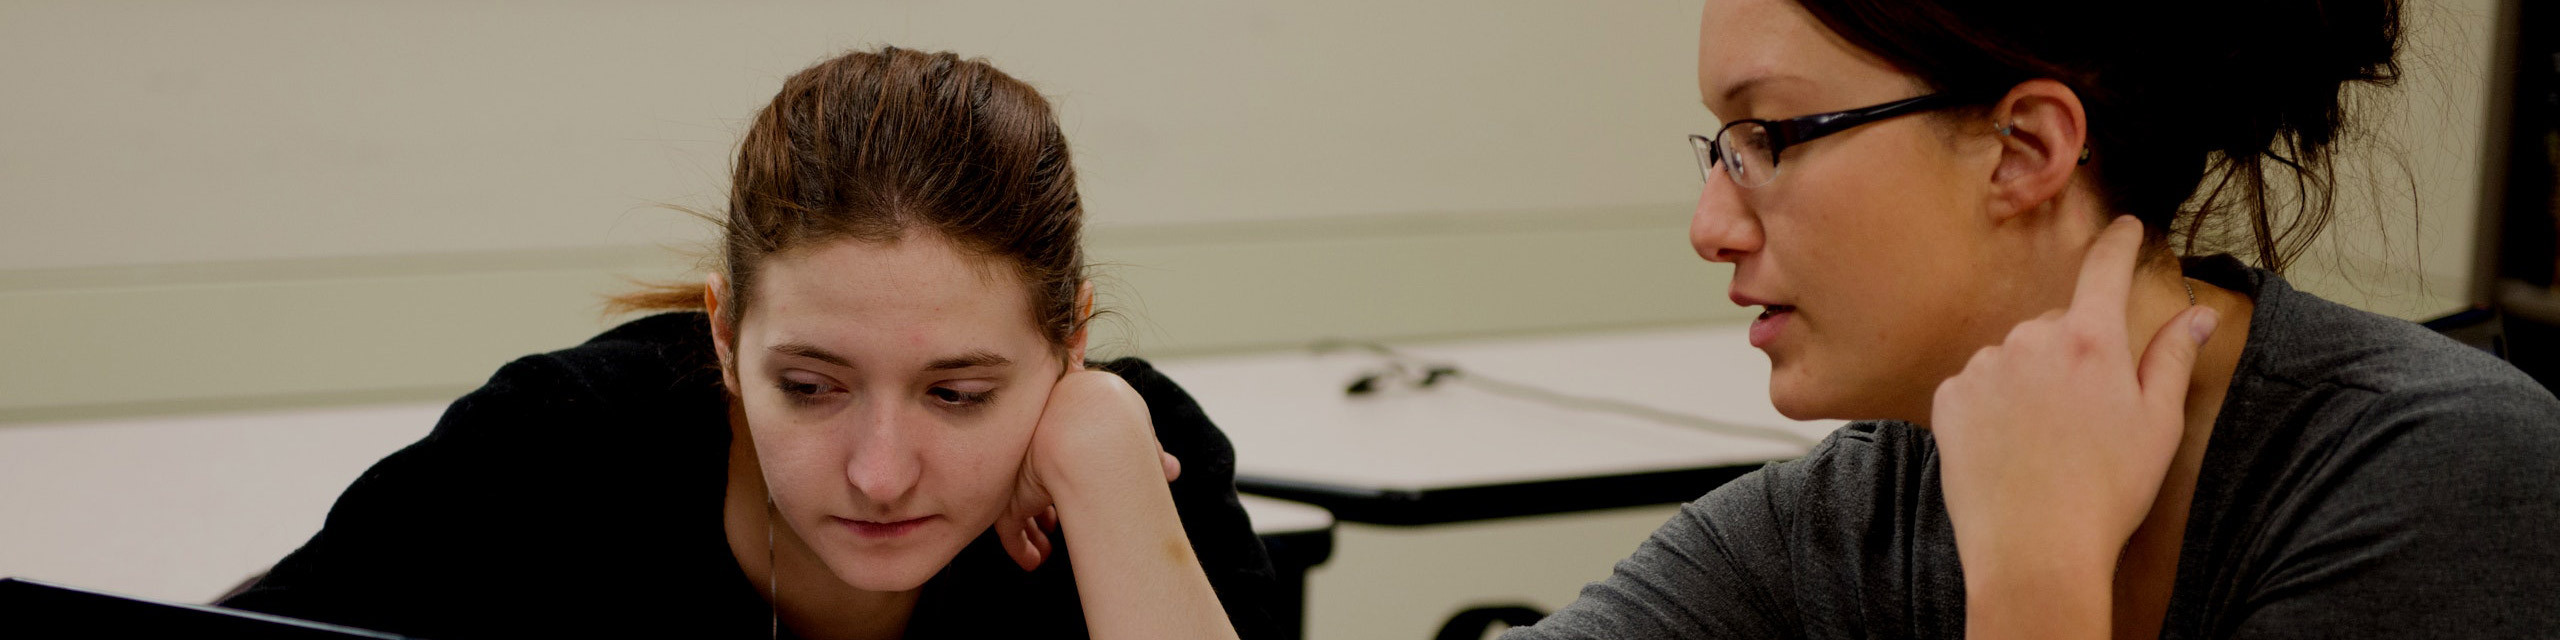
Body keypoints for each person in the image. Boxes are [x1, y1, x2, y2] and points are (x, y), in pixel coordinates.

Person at [1505, 0, 2560, 638]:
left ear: (2024, 150)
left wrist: (2034, 580)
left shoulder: (2443, 473)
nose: (1710, 223)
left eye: (1770, 135)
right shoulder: (1846, 517)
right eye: (1719, 146)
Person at [219, 47, 1276, 640]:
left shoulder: (1132, 464)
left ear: (1069, 342)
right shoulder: (557, 446)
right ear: (723, 335)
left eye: (958, 394)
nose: (878, 472)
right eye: (811, 385)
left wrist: (1099, 456)